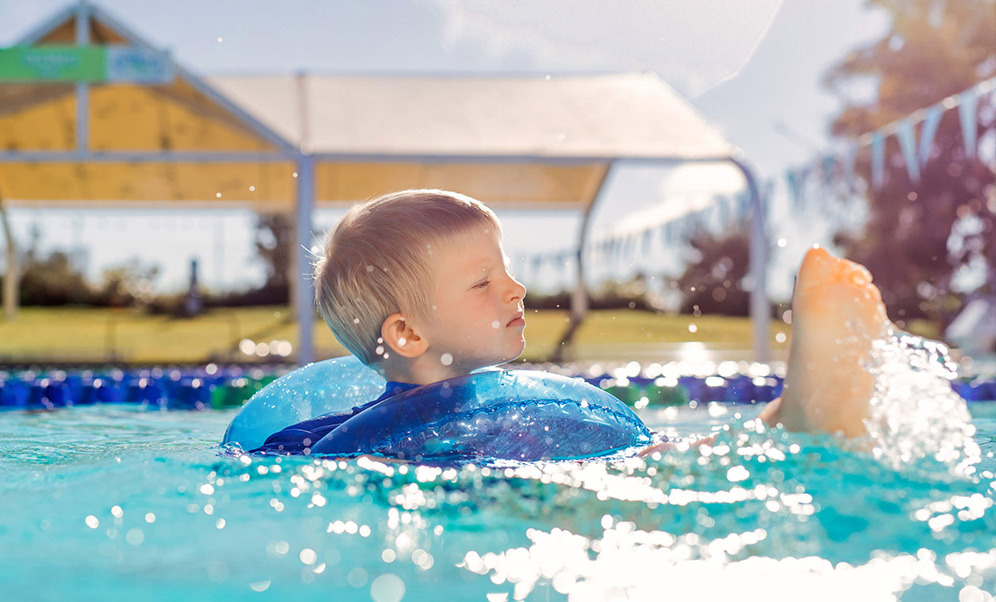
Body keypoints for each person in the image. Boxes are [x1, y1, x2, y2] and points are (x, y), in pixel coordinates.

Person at [256, 189, 890, 455]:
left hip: (514, 487)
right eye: (483, 283)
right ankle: (795, 422)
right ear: (407, 335)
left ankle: (791, 415)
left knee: (648, 466)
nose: (516, 289)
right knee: (638, 483)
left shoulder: (519, 415)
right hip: (488, 509)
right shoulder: (361, 441)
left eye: (505, 270)